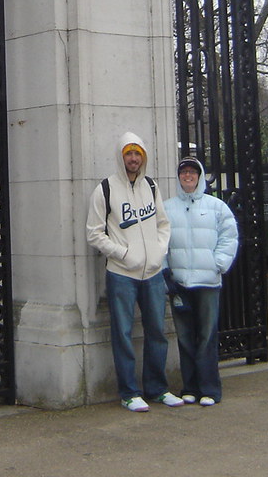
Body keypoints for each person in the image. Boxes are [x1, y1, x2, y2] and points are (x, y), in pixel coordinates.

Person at [86, 132, 183, 412]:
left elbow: (163, 224)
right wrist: (123, 254)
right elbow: (94, 233)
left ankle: (157, 388)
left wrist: (158, 251)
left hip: (152, 273)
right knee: (123, 334)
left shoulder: (151, 186)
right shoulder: (105, 189)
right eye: (129, 153)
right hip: (121, 274)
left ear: (143, 158)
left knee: (157, 332)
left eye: (137, 154)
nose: (133, 159)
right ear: (121, 157)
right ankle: (129, 392)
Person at [163, 156, 239, 406]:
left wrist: (218, 264)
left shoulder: (216, 206)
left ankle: (209, 388)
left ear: (199, 176)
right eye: (183, 172)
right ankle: (190, 386)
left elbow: (229, 236)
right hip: (180, 282)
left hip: (207, 282)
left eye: (192, 172)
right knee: (185, 337)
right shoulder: (167, 208)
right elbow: (159, 242)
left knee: (206, 336)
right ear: (179, 177)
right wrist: (166, 272)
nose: (188, 176)